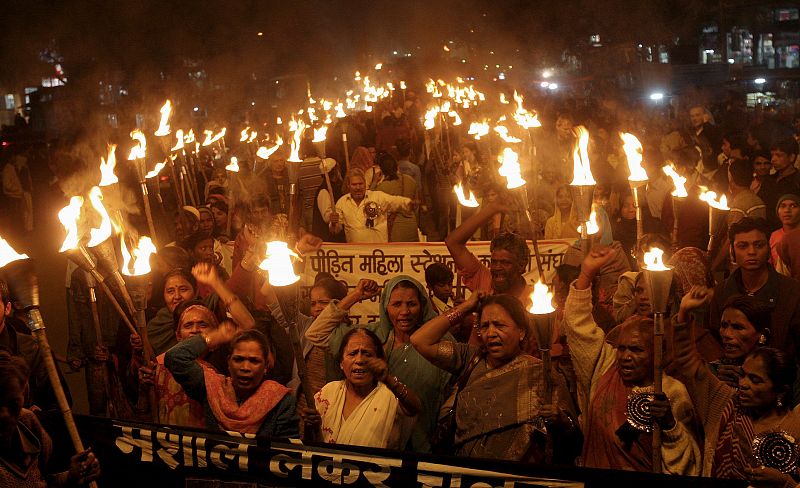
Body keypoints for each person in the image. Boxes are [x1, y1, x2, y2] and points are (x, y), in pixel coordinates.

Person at [564, 246, 700, 474]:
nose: (626, 356)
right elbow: (578, 326)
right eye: (622, 348)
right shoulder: (605, 368)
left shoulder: (672, 391)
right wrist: (586, 275)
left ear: (657, 354)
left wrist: (669, 425)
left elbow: (689, 465)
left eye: (636, 350)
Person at [411, 293, 577, 462]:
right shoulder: (470, 359)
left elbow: (573, 438)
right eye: (484, 326)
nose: (491, 333)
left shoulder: (541, 373)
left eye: (499, 325)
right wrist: (466, 307)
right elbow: (420, 340)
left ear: (521, 332)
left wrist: (561, 421)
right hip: (467, 473)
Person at [305, 276, 451, 452]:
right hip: (374, 439)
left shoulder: (438, 342)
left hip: (425, 441)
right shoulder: (371, 338)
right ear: (385, 307)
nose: (404, 311)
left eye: (411, 304)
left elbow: (451, 393)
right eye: (396, 304)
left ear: (422, 306)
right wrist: (356, 295)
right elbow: (316, 333)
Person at [673, 286, 800, 484]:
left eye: (755, 380)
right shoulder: (724, 402)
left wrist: (785, 483)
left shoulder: (794, 424)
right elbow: (688, 361)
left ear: (780, 390)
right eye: (742, 375)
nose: (744, 385)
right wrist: (684, 312)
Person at [709, 218, 800, 393]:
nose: (751, 252)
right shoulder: (722, 291)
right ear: (733, 251)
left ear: (768, 249)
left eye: (758, 245)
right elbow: (714, 338)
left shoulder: (791, 291)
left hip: (779, 385)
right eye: (743, 246)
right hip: (731, 383)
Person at [166, 326, 299, 437]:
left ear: (265, 367)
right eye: (238, 359)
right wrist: (215, 336)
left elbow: (288, 451)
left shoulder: (279, 400)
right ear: (229, 362)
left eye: (254, 361)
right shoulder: (212, 387)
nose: (245, 368)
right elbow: (175, 357)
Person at [300, 328, 420, 449]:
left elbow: (414, 408)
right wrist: (310, 426)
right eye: (352, 354)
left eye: (367, 354)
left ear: (380, 361)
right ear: (341, 362)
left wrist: (388, 379)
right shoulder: (329, 392)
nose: (359, 360)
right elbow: (310, 447)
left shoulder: (390, 395)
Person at [0, 351, 102, 487]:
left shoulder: (27, 424)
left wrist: (70, 476)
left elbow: (38, 482)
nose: (5, 414)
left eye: (13, 404)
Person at [445, 198, 533, 307]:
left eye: (505, 262)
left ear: (521, 265)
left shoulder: (536, 299)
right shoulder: (486, 283)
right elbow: (453, 243)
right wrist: (492, 209)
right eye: (494, 262)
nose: (497, 267)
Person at [330, 168, 415, 243]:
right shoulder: (342, 202)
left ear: (365, 183)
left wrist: (409, 203)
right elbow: (336, 230)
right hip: (356, 254)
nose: (358, 187)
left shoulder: (378, 197)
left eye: (360, 184)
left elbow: (395, 201)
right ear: (348, 185)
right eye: (354, 185)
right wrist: (334, 224)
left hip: (378, 252)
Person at [711, 158, 767, 271]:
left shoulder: (738, 206)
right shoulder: (758, 200)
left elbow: (730, 240)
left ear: (730, 178)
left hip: (741, 264)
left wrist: (713, 266)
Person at [708, 295, 772, 388]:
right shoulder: (710, 372)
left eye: (738, 327)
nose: (727, 334)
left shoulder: (781, 371)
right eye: (724, 325)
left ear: (763, 334)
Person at [374, 152, 419, 242]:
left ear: (382, 170)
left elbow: (372, 202)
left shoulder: (382, 187)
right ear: (396, 165)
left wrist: (375, 181)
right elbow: (416, 205)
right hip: (412, 225)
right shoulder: (410, 180)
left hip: (395, 228)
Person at [761, 138, 800, 231]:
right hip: (766, 230)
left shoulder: (797, 182)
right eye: (772, 155)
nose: (773, 159)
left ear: (791, 157)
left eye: (779, 155)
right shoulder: (769, 179)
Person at [769, 194, 800, 272]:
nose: (787, 210)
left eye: (793, 206)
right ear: (778, 212)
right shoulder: (774, 235)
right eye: (783, 206)